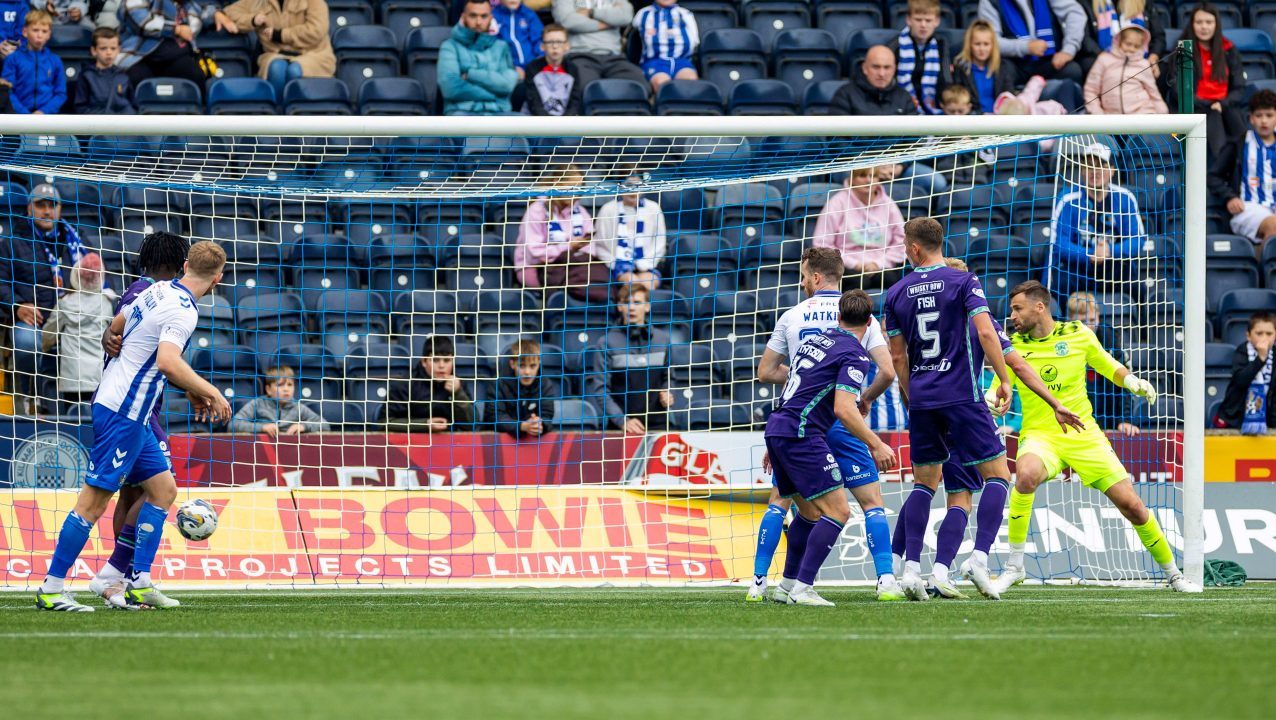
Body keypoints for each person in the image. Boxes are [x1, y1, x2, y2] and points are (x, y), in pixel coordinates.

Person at [883, 217, 1083, 600]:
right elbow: (995, 340)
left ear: (914, 248)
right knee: (996, 478)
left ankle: (908, 569)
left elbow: (897, 356)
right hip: (962, 398)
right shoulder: (965, 286)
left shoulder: (896, 293)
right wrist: (1007, 381)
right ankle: (976, 558)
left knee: (924, 484)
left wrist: (914, 396)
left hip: (923, 399)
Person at [34, 241, 230, 612]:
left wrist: (116, 338)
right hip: (123, 409)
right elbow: (169, 362)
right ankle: (52, 587)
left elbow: (119, 323)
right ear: (218, 278)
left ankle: (132, 581)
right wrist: (212, 392)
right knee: (93, 502)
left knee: (163, 490)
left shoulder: (156, 289)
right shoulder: (184, 310)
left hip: (128, 408)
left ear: (186, 264)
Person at [992, 281, 1200, 594]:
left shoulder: (1078, 334)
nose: (1012, 316)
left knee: (1132, 505)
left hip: (1083, 434)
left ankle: (1173, 574)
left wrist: (1132, 381)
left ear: (1040, 307)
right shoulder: (1012, 345)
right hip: (1040, 434)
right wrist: (991, 400)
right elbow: (999, 384)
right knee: (1025, 476)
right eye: (1011, 310)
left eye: (1018, 308)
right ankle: (1014, 566)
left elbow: (1107, 364)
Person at [749, 247, 903, 604]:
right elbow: (888, 371)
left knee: (784, 503)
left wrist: (809, 382)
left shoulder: (793, 315)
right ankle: (884, 581)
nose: (803, 282)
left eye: (804, 276)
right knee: (869, 502)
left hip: (793, 417)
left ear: (816, 277)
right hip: (836, 419)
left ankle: (762, 583)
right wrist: (863, 399)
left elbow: (766, 372)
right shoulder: (862, 324)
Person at [89, 230, 189, 608]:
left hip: (140, 405)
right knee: (152, 489)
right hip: (130, 407)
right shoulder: (151, 293)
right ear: (177, 264)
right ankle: (121, 575)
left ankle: (121, 578)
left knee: (134, 491)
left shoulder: (141, 291)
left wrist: (107, 333)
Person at [0, 183, 92, 414]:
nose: (47, 211)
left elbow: (97, 276)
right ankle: (27, 398)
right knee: (26, 342)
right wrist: (17, 306)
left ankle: (82, 406)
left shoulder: (76, 241)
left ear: (60, 209)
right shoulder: (12, 242)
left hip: (71, 320)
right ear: (29, 208)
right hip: (34, 320)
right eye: (40, 205)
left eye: (52, 205)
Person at [1047, 142, 1147, 297]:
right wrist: (1090, 254)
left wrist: (1109, 251)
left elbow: (1138, 240)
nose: (1095, 171)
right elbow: (1059, 243)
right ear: (1081, 170)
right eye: (1089, 166)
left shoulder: (1125, 198)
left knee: (1138, 288)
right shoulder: (1068, 199)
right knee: (1060, 282)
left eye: (1101, 165)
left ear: (1112, 170)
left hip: (1114, 266)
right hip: (1079, 268)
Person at [585, 283, 673, 434]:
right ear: (619, 307)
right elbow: (600, 390)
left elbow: (670, 377)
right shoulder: (605, 343)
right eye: (626, 303)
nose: (631, 308)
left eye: (637, 302)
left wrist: (668, 392)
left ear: (647, 307)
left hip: (658, 426)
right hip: (622, 428)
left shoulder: (663, 339)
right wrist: (622, 420)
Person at [514, 165, 609, 301]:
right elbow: (534, 253)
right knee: (582, 284)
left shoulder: (581, 212)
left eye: (578, 189)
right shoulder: (536, 211)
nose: (575, 193)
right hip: (537, 268)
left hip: (575, 265)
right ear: (556, 182)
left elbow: (590, 248)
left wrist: (574, 251)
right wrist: (568, 247)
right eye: (571, 187)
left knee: (598, 277)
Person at [1164, 4, 1245, 159]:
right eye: (1199, 22)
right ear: (1192, 24)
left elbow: (1239, 87)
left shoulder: (1228, 49)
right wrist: (1207, 104)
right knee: (1213, 123)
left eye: (1209, 22)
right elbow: (1177, 89)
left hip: (1223, 106)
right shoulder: (1182, 49)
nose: (1204, 27)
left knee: (1241, 133)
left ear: (1217, 24)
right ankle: (1212, 178)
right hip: (1195, 107)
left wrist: (1223, 103)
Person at [214, 0, 336, 100]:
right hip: (275, 54)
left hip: (313, 55)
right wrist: (252, 19)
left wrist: (281, 35)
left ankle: (299, 118)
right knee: (277, 67)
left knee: (294, 70)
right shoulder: (259, 2)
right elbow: (230, 12)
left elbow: (317, 30)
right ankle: (275, 119)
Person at [812, 166, 907, 292]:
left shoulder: (888, 204)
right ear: (851, 178)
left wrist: (879, 264)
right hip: (846, 267)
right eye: (862, 176)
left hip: (882, 266)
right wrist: (853, 264)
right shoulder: (837, 203)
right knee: (858, 282)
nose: (868, 180)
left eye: (873, 176)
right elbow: (822, 243)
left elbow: (902, 240)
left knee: (891, 281)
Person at [41, 253, 113, 407]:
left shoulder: (64, 304)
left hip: (72, 380)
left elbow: (47, 336)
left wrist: (45, 347)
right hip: (99, 378)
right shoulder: (107, 303)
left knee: (73, 423)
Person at [1067, 291, 1141, 436]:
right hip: (1075, 416)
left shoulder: (1110, 339)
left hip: (1108, 414)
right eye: (1082, 322)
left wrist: (1124, 419)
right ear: (1070, 320)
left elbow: (1124, 382)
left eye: (1092, 319)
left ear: (1098, 316)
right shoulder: (1064, 342)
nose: (1088, 326)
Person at [1209, 90, 1276, 247]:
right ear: (1251, 118)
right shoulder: (1239, 144)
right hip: (1248, 208)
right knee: (1273, 226)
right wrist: (1230, 197)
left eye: (1269, 115)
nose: (1264, 121)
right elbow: (1213, 176)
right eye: (1259, 116)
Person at [438, 0, 520, 115]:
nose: (478, 22)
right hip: (462, 113)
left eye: (484, 16)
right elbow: (450, 88)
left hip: (499, 113)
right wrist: (494, 95)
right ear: (463, 16)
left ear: (491, 17)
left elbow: (507, 85)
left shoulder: (501, 46)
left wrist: (471, 74)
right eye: (473, 16)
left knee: (530, 127)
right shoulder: (450, 46)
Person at [117, 0, 216, 94]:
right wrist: (175, 29)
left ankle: (193, 110)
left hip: (175, 56)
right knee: (134, 78)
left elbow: (202, 13)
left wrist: (216, 14)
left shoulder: (186, 4)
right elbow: (141, 20)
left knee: (194, 75)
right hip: (139, 55)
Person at [978, 0, 1086, 84]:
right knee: (999, 72)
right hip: (1014, 64)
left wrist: (1069, 49)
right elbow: (990, 42)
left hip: (1049, 59)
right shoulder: (989, 2)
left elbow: (1075, 13)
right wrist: (1026, 47)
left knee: (1072, 70)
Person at [592, 175, 667, 291]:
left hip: (647, 265)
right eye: (629, 186)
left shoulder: (654, 208)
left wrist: (645, 264)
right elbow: (600, 244)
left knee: (648, 284)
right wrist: (616, 264)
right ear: (620, 186)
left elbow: (660, 243)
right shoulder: (608, 209)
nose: (633, 191)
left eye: (638, 186)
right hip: (616, 266)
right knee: (634, 285)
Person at [386, 335, 475, 432]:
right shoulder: (405, 384)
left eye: (447, 360)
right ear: (424, 361)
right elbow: (384, 422)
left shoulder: (459, 384)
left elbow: (472, 425)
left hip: (449, 444)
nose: (441, 366)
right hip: (411, 443)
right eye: (435, 360)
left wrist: (458, 394)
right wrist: (425, 424)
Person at [552, 0, 644, 89]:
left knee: (640, 86)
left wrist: (592, 12)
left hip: (614, 57)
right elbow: (566, 21)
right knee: (585, 89)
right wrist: (607, 23)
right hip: (579, 55)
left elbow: (626, 16)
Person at [1083, 23, 1167, 115]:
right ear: (1119, 41)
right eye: (1128, 44)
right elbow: (1090, 90)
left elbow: (1153, 93)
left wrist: (1164, 115)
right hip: (1111, 119)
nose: (1131, 48)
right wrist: (1099, 115)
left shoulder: (1144, 64)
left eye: (1136, 46)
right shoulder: (1104, 59)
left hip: (1142, 115)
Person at [1215, 312, 1276, 434]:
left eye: (1269, 334)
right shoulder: (1242, 351)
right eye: (1259, 333)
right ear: (1248, 336)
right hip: (1235, 418)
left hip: (1266, 419)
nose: (1264, 338)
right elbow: (1240, 380)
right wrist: (1261, 359)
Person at [888, 0, 952, 115]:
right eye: (918, 19)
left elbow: (946, 80)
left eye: (928, 20)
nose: (923, 25)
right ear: (908, 20)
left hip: (935, 108)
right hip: (902, 109)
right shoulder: (895, 45)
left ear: (936, 21)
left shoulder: (941, 44)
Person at [229, 365, 328, 436]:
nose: (286, 389)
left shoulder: (298, 407)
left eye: (290, 385)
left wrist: (303, 426)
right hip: (262, 449)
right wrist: (262, 428)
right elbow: (233, 425)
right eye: (280, 385)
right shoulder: (258, 404)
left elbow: (324, 425)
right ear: (268, 389)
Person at [494, 338, 561, 438]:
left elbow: (547, 416)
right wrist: (521, 426)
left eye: (532, 366)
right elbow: (495, 417)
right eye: (522, 366)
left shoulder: (545, 384)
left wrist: (539, 424)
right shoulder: (498, 385)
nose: (527, 372)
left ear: (539, 363)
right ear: (512, 364)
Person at [1, 10, 64, 115]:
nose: (39, 35)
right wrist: (25, 114)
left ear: (49, 35)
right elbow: (8, 91)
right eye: (35, 30)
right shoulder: (12, 59)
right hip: (18, 118)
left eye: (44, 31)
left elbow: (60, 93)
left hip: (47, 118)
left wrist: (43, 112)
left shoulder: (55, 61)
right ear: (25, 32)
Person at [933, 85, 996, 185]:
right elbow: (928, 157)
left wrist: (973, 146)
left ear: (969, 107)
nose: (956, 115)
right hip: (948, 181)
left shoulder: (979, 127)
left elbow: (991, 159)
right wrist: (949, 141)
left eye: (960, 111)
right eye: (952, 111)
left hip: (978, 180)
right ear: (942, 106)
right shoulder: (933, 125)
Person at [830, 45, 917, 116]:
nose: (881, 74)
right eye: (876, 67)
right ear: (865, 68)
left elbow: (915, 135)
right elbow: (837, 136)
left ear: (894, 69)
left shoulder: (904, 97)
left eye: (887, 67)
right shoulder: (845, 95)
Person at [953, 19, 1017, 114]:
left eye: (986, 44)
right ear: (969, 45)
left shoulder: (1003, 67)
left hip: (999, 119)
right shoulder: (961, 68)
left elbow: (1008, 94)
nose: (982, 49)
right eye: (977, 44)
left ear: (992, 45)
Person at [632, 0, 698, 92]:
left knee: (690, 80)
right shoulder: (643, 14)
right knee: (662, 83)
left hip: (682, 61)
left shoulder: (685, 14)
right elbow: (634, 37)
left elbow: (695, 41)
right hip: (654, 62)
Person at [71, 26, 136, 115]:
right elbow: (81, 108)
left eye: (113, 48)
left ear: (119, 50)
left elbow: (132, 105)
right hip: (96, 125)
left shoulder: (123, 76)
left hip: (122, 126)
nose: (109, 52)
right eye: (103, 48)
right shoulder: (86, 76)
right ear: (94, 50)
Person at [524, 23, 583, 115]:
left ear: (567, 46)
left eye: (559, 42)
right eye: (550, 42)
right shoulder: (532, 68)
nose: (555, 46)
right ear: (542, 46)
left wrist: (564, 123)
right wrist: (550, 124)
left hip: (565, 123)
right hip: (538, 121)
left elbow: (574, 102)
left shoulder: (573, 69)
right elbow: (534, 102)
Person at [1088, 0, 1163, 68]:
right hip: (1103, 60)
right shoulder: (1088, 2)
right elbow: (1086, 39)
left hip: (1140, 60)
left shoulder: (1145, 2)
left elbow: (1158, 36)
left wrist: (1153, 57)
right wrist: (1104, 57)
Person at [493, 0, 544, 79]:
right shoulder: (494, 16)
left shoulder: (528, 14)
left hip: (533, 65)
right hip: (508, 68)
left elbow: (539, 40)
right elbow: (494, 47)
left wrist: (539, 62)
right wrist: (511, 67)